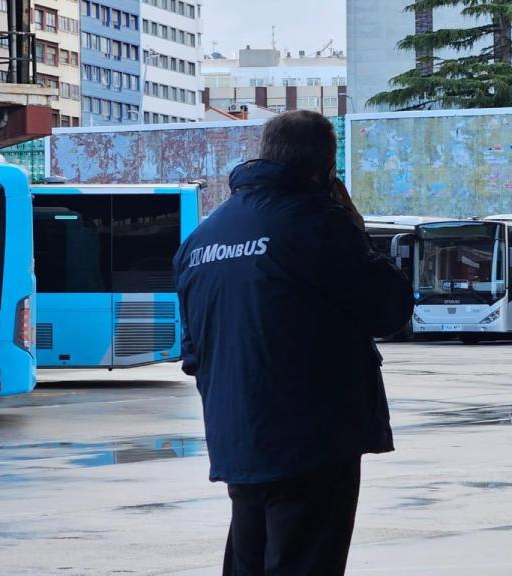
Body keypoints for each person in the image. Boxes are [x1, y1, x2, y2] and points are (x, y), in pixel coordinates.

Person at [173, 110, 414, 576]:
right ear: (326, 168)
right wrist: (356, 229)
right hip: (312, 442)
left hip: (237, 438)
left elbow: (194, 353)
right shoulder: (319, 223)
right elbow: (389, 309)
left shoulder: (203, 237)